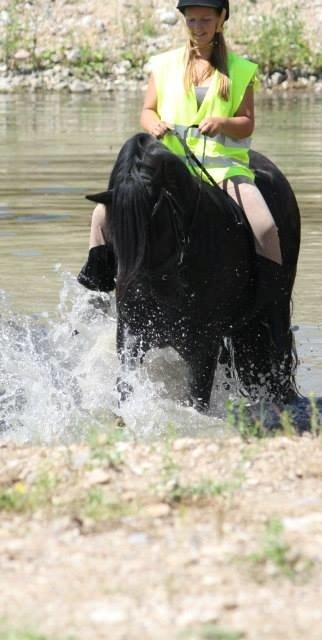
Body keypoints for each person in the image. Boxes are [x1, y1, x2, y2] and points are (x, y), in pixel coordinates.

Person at [79, 0, 287, 330]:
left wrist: (222, 122)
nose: (198, 26)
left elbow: (246, 123)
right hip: (167, 169)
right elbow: (147, 110)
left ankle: (269, 303)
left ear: (221, 20)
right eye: (191, 20)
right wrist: (154, 124)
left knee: (266, 228)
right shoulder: (163, 66)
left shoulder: (241, 68)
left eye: (205, 19)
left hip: (222, 167)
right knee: (102, 213)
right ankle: (98, 286)